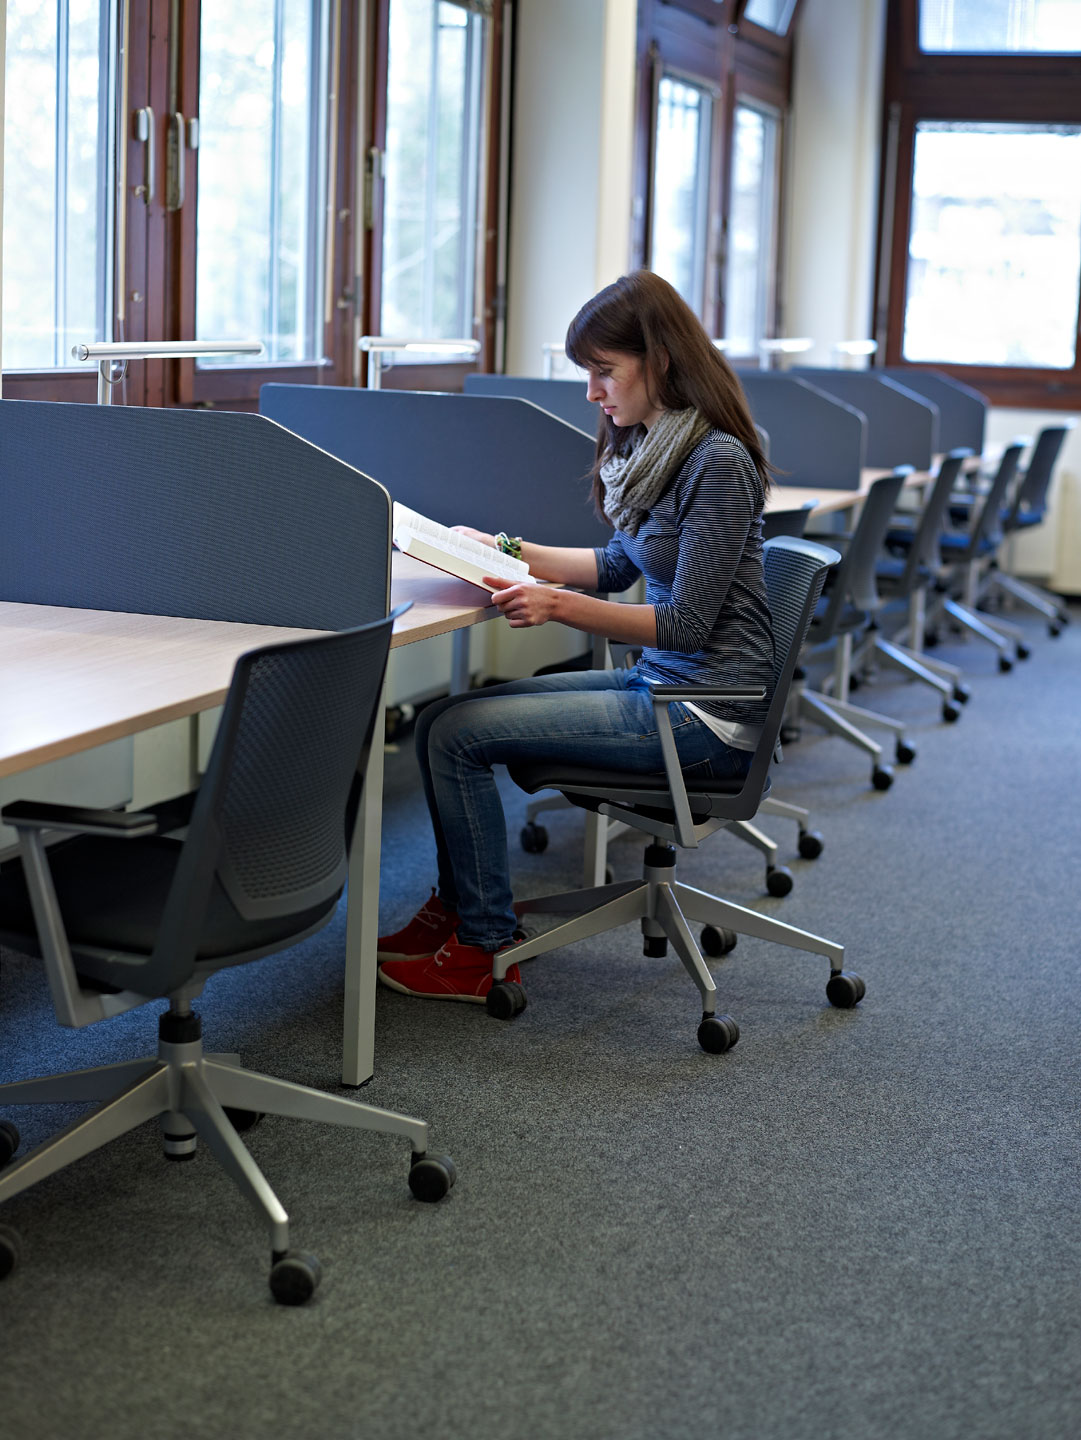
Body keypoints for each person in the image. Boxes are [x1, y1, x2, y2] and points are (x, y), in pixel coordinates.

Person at [377, 269, 775, 1003]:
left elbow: (686, 622)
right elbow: (621, 563)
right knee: (444, 721)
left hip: (703, 713)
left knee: (451, 734)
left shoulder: (715, 460)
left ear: (657, 360)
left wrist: (554, 606)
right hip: (664, 684)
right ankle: (463, 909)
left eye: (603, 371)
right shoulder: (663, 448)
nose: (592, 392)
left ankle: (481, 946)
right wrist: (498, 550)